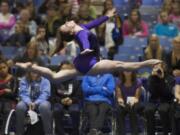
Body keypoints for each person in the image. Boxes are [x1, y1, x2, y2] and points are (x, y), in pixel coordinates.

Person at [16, 8, 161, 82]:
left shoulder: (82, 28)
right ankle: (151, 63)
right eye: (65, 25)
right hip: (91, 63)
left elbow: (94, 23)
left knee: (55, 77)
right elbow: (85, 40)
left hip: (83, 63)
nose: (67, 22)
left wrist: (107, 16)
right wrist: (86, 49)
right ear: (71, 30)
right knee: (121, 65)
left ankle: (31, 67)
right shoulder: (80, 33)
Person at [15, 65, 52, 135]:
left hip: (41, 102)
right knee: (19, 107)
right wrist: (29, 102)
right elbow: (23, 93)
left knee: (45, 107)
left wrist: (36, 103)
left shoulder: (45, 81)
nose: (34, 72)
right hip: (27, 102)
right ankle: (20, 132)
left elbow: (45, 94)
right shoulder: (23, 80)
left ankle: (48, 133)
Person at [144, 63, 175, 135]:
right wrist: (152, 78)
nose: (157, 69)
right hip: (153, 100)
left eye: (158, 67)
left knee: (163, 110)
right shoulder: (151, 78)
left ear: (163, 68)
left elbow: (168, 93)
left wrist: (162, 79)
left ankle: (165, 132)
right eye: (155, 67)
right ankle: (151, 133)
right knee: (148, 110)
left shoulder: (170, 78)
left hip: (166, 100)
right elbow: (152, 92)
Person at [53, 61, 82, 135]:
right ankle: (60, 133)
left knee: (75, 110)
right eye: (63, 69)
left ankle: (75, 132)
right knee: (56, 110)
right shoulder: (55, 80)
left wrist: (72, 100)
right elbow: (53, 95)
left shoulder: (76, 81)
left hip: (72, 102)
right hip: (59, 102)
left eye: (66, 69)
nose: (64, 71)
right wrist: (60, 100)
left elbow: (79, 95)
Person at [116, 71, 143, 135]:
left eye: (129, 70)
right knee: (119, 110)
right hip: (124, 103)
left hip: (135, 102)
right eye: (125, 70)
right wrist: (120, 100)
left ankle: (134, 133)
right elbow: (119, 97)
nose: (127, 71)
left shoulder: (138, 82)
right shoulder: (119, 82)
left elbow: (137, 98)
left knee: (132, 109)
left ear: (132, 72)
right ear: (122, 72)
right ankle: (122, 133)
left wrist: (131, 102)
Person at [0, 60, 16, 134]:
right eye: (0, 68)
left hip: (10, 101)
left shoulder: (13, 79)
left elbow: (14, 94)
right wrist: (4, 91)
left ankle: (4, 132)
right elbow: (8, 91)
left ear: (8, 67)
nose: (2, 70)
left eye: (4, 67)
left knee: (7, 110)